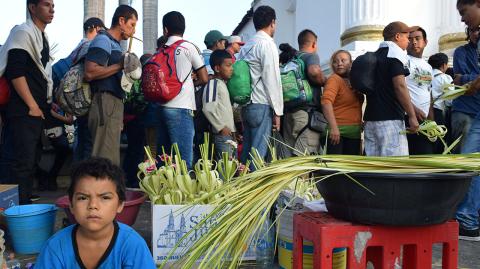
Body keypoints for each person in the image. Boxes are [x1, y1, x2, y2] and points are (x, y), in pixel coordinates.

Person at [34, 157, 156, 268]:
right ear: (71, 204)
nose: (93, 205)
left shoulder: (132, 245)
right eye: (83, 198)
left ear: (120, 205)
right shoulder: (55, 247)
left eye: (105, 197)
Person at [0, 0, 55, 204]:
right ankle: (12, 215)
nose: (52, 9)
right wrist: (32, 105)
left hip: (34, 112)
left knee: (27, 164)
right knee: (17, 165)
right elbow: (16, 72)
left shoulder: (41, 36)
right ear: (32, 8)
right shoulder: (23, 32)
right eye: (46, 5)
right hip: (22, 111)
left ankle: (19, 211)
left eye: (53, 5)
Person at [84, 5, 138, 166]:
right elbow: (90, 72)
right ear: (121, 21)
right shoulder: (103, 40)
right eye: (132, 25)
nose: (133, 31)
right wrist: (120, 65)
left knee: (110, 157)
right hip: (104, 101)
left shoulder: (113, 44)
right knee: (104, 158)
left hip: (113, 103)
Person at [157, 11, 208, 169]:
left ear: (165, 30)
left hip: (162, 106)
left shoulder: (161, 49)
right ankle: (182, 193)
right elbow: (205, 78)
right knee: (183, 160)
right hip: (182, 107)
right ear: (184, 28)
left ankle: (160, 191)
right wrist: (193, 82)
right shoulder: (188, 47)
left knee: (163, 158)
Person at [363, 21, 419, 157]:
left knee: (374, 169)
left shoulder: (375, 55)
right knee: (395, 169)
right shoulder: (395, 55)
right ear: (397, 36)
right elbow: (400, 86)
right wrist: (412, 116)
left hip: (371, 121)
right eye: (407, 36)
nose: (409, 40)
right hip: (390, 121)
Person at [238, 5, 283, 165]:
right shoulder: (267, 44)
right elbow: (272, 80)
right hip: (261, 105)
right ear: (272, 23)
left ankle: (241, 186)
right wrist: (278, 111)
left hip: (246, 105)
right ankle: (254, 189)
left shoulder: (246, 47)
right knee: (257, 156)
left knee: (246, 154)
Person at [454, 0, 480, 241]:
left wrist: (472, 83)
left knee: (470, 161)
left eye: (464, 12)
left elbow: (465, 79)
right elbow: (457, 78)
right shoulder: (462, 51)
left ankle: (468, 218)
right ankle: (468, 218)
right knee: (469, 161)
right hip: (472, 110)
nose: (463, 19)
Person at [280, 29, 326, 156]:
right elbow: (314, 72)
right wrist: (325, 81)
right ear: (314, 44)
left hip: (290, 114)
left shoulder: (290, 60)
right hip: (306, 116)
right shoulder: (311, 56)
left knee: (290, 158)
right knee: (304, 159)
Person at [72, 17, 106, 163]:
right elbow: (91, 73)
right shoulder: (90, 46)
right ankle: (83, 179)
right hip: (88, 99)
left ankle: (76, 178)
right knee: (88, 144)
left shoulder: (78, 46)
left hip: (78, 100)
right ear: (96, 28)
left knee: (81, 142)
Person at [321, 50, 363, 154]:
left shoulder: (353, 82)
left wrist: (358, 122)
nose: (339, 63)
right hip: (337, 134)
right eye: (336, 61)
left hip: (353, 134)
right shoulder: (334, 79)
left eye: (343, 60)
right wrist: (334, 128)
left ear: (351, 63)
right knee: (335, 169)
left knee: (351, 169)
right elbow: (326, 102)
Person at [202, 50, 236, 159]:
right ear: (217, 68)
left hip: (228, 135)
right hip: (221, 135)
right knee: (224, 169)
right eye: (228, 65)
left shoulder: (222, 84)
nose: (231, 69)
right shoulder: (213, 83)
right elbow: (208, 108)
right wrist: (221, 127)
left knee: (230, 168)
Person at [405, 27, 434, 154]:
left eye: (417, 38)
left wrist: (431, 120)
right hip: (408, 119)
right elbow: (398, 90)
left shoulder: (428, 66)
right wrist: (414, 111)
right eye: (410, 39)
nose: (414, 42)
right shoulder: (403, 61)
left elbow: (429, 93)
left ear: (425, 42)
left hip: (425, 121)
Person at [451, 26, 480, 152]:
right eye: (472, 30)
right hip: (465, 110)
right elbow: (459, 77)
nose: (476, 34)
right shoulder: (461, 51)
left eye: (479, 30)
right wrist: (466, 79)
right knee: (465, 157)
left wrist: (465, 78)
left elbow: (462, 77)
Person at [428, 52, 454, 153]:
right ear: (444, 65)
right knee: (439, 139)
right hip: (438, 112)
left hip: (425, 111)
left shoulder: (426, 76)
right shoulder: (446, 78)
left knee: (428, 138)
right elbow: (449, 101)